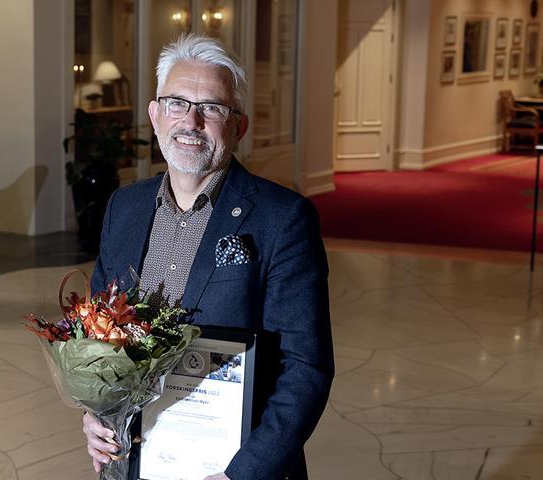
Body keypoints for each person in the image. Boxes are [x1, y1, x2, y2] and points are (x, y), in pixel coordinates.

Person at [82, 33, 334, 480]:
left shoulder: (283, 219)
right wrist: (97, 415)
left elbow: (306, 367)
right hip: (132, 461)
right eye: (176, 103)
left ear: (239, 126)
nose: (191, 121)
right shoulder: (125, 208)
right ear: (155, 115)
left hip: (235, 466)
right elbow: (99, 339)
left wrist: (244, 474)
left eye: (212, 108)